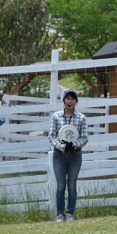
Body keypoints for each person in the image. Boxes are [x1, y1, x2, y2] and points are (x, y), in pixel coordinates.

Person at [49, 88, 88, 221]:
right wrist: (62, 147)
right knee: (60, 186)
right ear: (63, 100)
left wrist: (74, 145)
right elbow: (52, 137)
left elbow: (84, 137)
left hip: (75, 155)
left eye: (72, 99)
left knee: (72, 185)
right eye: (67, 98)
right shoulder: (56, 117)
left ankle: (70, 212)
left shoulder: (81, 118)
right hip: (59, 155)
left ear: (76, 101)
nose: (69, 101)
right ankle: (60, 214)